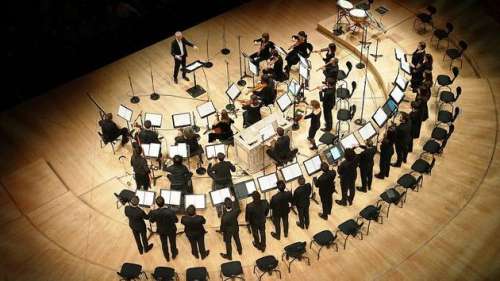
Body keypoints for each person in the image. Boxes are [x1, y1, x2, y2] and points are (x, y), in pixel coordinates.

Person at [149, 196, 178, 261]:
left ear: (156, 204)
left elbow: (152, 220)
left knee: (164, 244)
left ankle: (167, 257)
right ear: (164, 203)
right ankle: (174, 254)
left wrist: (152, 210)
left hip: (161, 230)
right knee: (173, 243)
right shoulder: (170, 211)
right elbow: (176, 220)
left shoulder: (154, 212)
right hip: (171, 230)